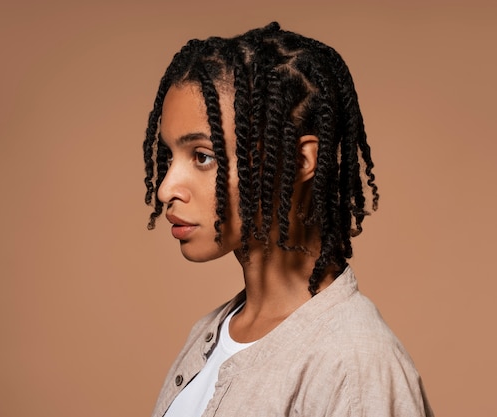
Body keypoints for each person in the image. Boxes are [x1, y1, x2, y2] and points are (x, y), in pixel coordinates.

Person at [142, 22, 433, 417]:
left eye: (203, 156)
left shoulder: (355, 369)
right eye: (170, 156)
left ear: (298, 161)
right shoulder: (210, 336)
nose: (166, 188)